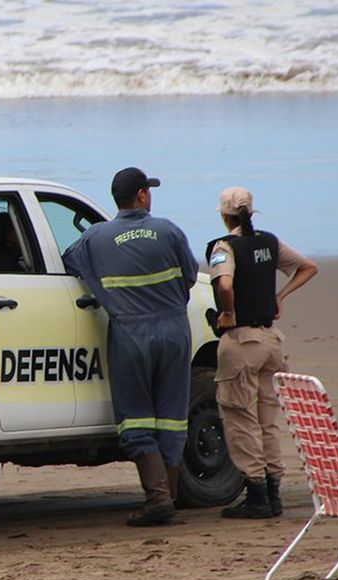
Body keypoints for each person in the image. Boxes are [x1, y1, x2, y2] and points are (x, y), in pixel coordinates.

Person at [63, 167, 199, 526]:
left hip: (130, 334)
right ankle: (165, 495)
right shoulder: (168, 230)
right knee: (171, 416)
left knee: (136, 416)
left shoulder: (96, 237)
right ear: (141, 196)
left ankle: (157, 499)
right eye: (148, 190)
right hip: (174, 330)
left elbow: (70, 259)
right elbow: (189, 276)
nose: (150, 195)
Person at [206, 186, 318, 519]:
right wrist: (279, 296)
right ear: (252, 212)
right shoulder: (269, 243)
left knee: (240, 417)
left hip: (241, 341)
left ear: (225, 215)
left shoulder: (224, 247)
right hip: (272, 339)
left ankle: (256, 493)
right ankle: (273, 491)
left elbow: (224, 284)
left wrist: (228, 312)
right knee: (268, 419)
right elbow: (308, 267)